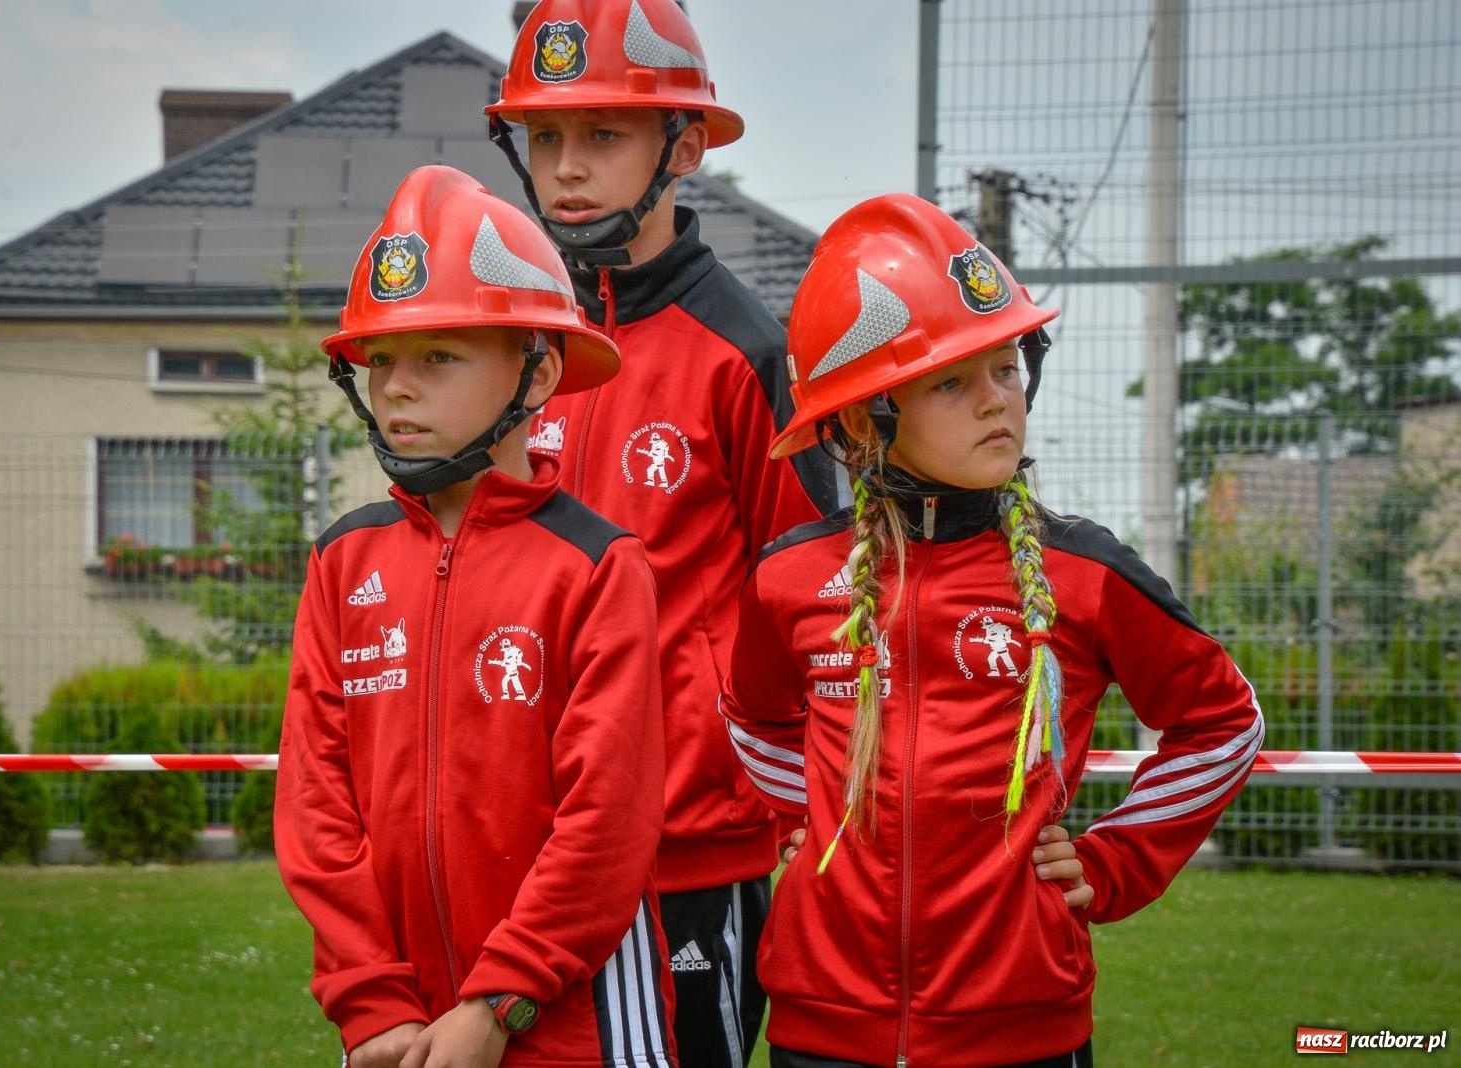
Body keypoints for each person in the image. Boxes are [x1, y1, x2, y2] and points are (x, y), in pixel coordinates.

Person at [720, 193, 1265, 1068]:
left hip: (1024, 1032)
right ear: (862, 418)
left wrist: (1115, 860)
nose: (996, 401)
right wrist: (808, 812)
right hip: (822, 1028)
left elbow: (1224, 724)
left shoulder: (1085, 574)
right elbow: (750, 714)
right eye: (951, 380)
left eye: (1006, 366)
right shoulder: (787, 576)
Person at [483, 4, 841, 1065]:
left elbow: (817, 609)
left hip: (689, 855)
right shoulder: (510, 344)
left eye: (602, 135)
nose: (566, 169)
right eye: (545, 137)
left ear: (682, 147)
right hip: (522, 847)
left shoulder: (744, 351)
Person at [275, 165, 674, 1068]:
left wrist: (501, 1001)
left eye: (438, 357)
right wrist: (371, 1002)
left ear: (537, 374)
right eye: (382, 361)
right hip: (397, 1026)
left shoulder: (598, 565)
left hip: (574, 1022)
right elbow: (315, 805)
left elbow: (607, 818)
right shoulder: (344, 561)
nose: (398, 389)